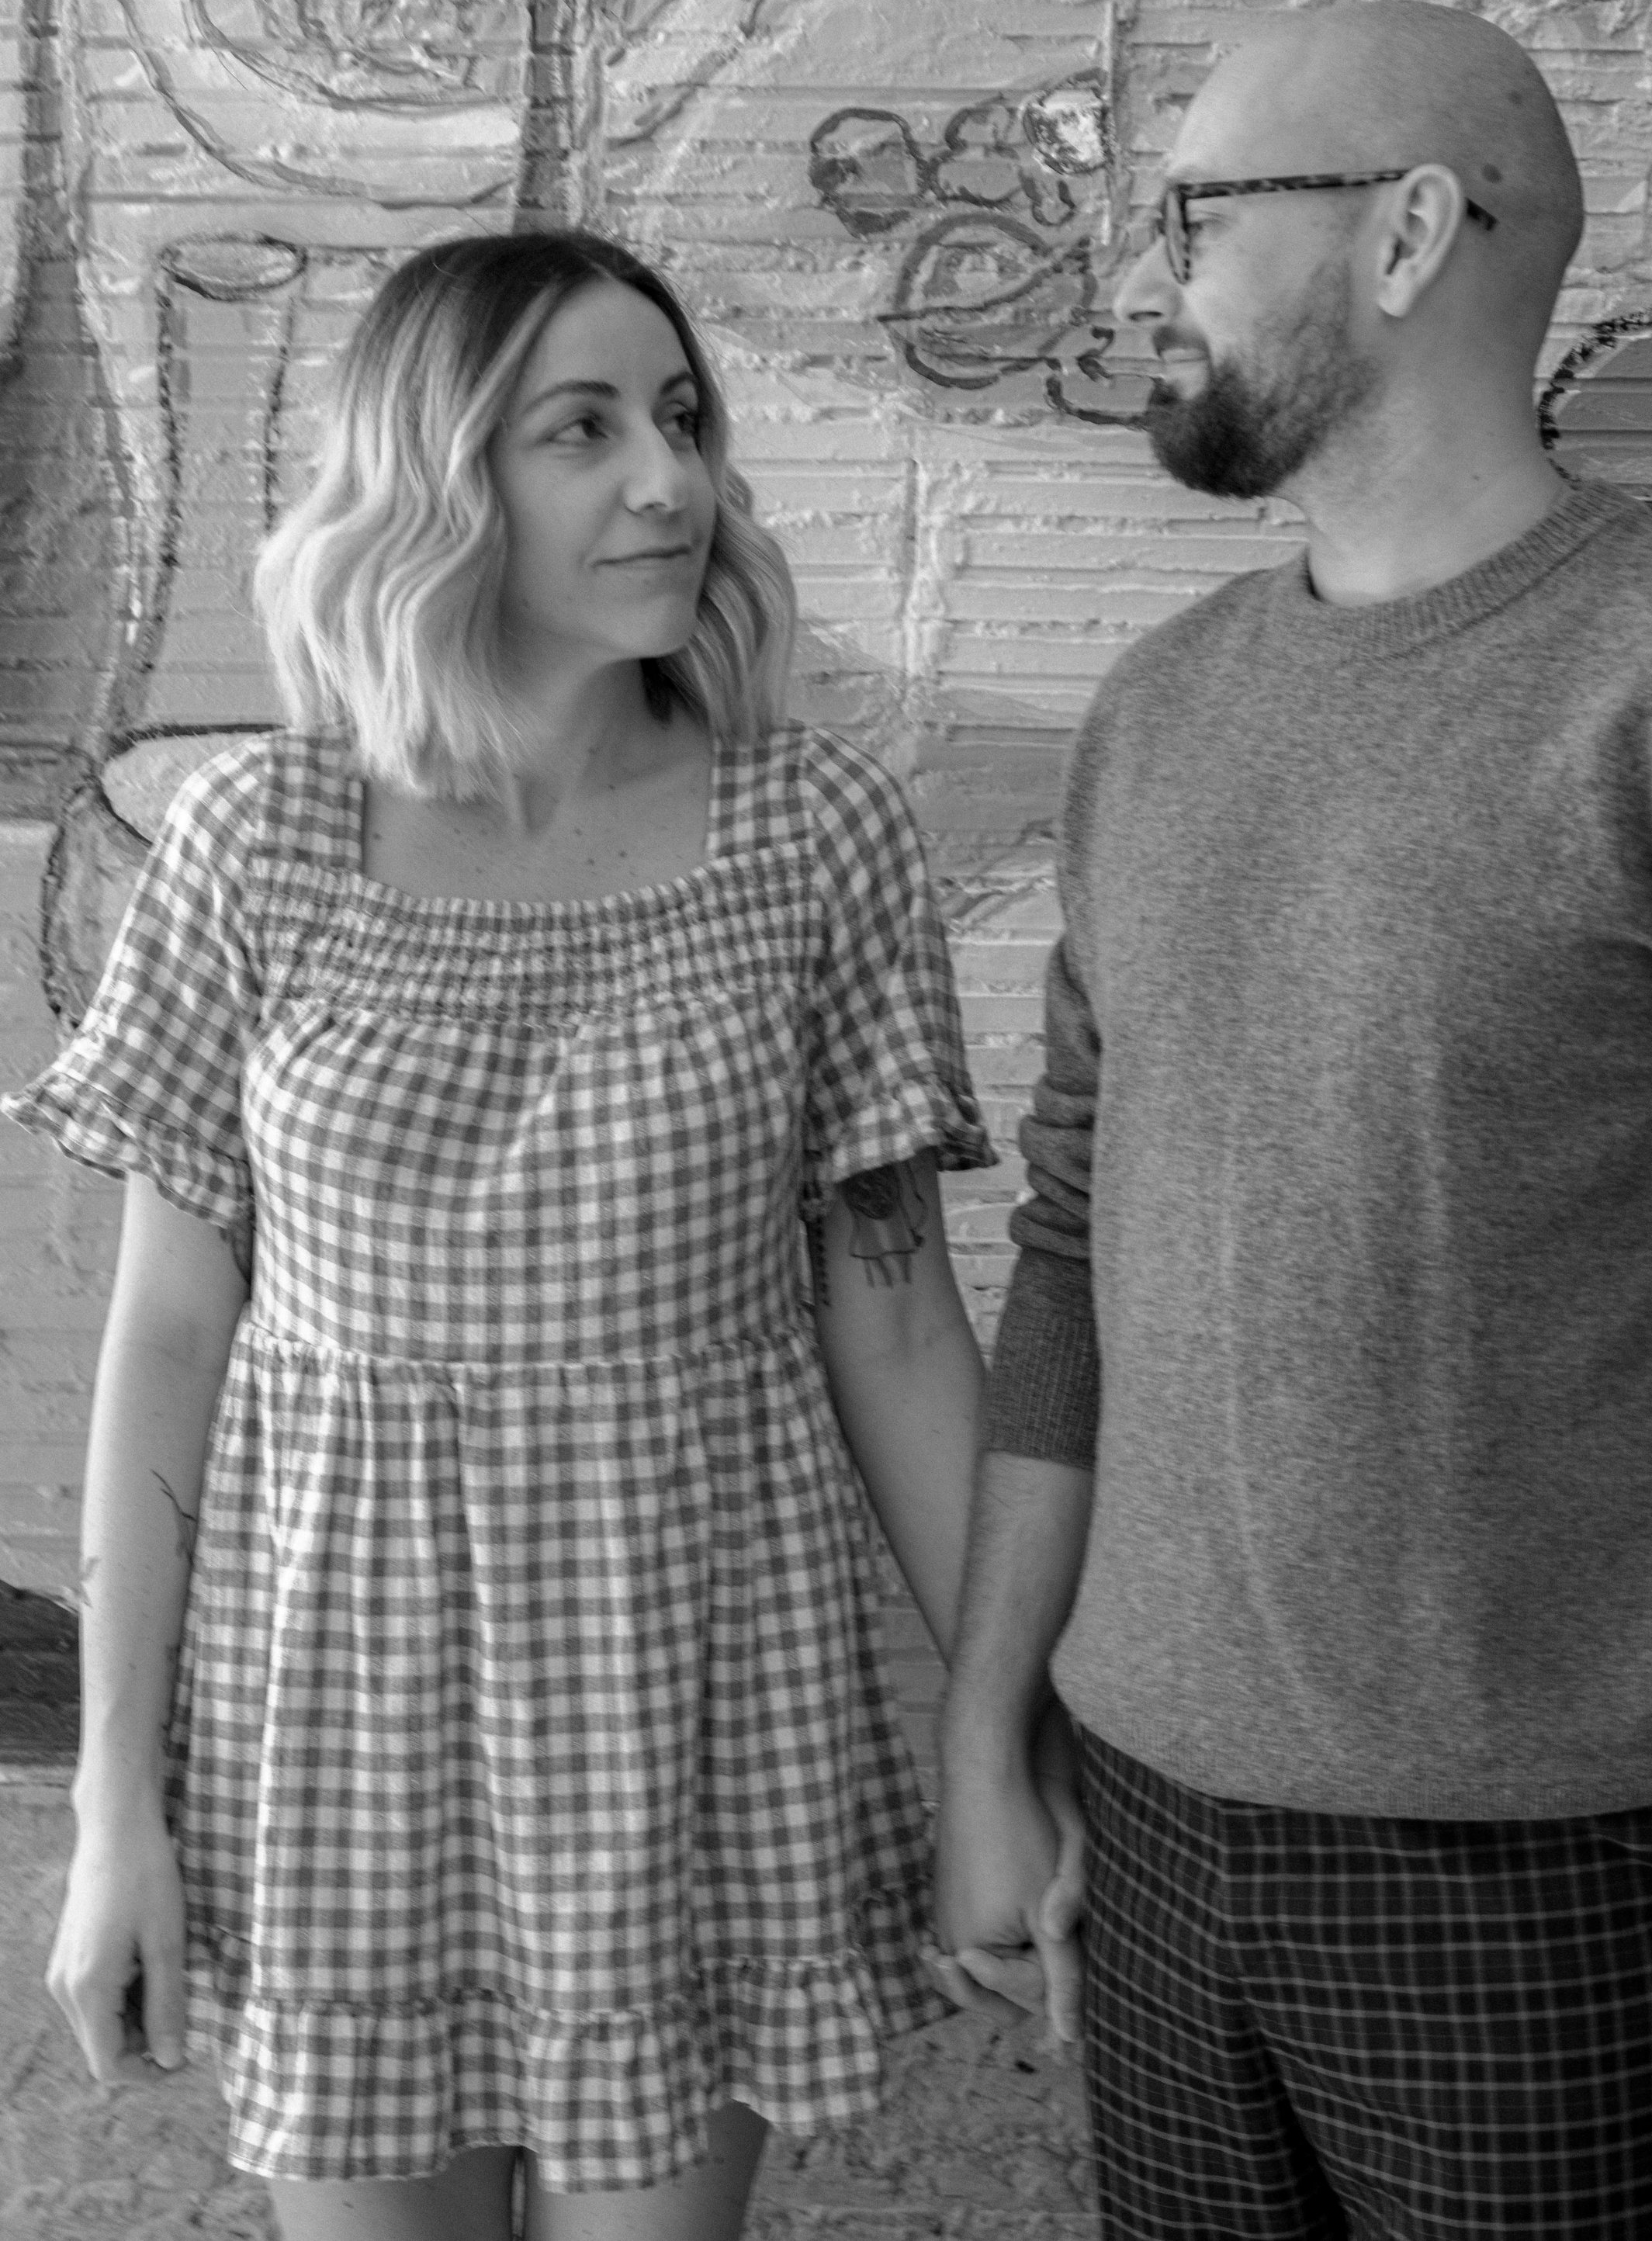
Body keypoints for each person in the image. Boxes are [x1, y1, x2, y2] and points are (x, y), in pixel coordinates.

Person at [930, 0, 1652, 2239]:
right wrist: (986, 1733)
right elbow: (1072, 1257)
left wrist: (1638, 1551)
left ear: (1404, 233)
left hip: (1550, 1868)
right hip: (1154, 1829)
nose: (1153, 273)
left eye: (1198, 210)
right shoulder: (1160, 711)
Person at [9, 230, 995, 2241]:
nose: (667, 476)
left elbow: (896, 1332)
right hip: (332, 1726)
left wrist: (1008, 1736)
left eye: (682, 416)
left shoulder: (812, 831)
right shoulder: (251, 837)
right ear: (438, 475)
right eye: (582, 427)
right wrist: (112, 1810)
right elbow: (163, 1351)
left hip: (701, 1706)